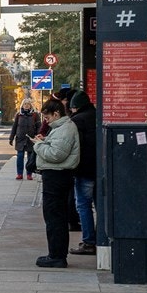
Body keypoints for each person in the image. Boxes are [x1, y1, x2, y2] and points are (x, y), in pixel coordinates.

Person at [31, 97, 80, 268]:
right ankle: (56, 253)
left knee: (54, 217)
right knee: (54, 216)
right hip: (56, 176)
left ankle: (57, 256)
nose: (46, 121)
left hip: (57, 177)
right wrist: (44, 141)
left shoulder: (65, 129)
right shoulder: (60, 128)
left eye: (47, 117)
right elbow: (56, 148)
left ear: (57, 113)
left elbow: (56, 154)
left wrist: (38, 145)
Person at [68, 90, 99, 255]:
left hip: (84, 170)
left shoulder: (77, 120)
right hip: (99, 169)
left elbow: (74, 145)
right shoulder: (98, 115)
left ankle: (88, 242)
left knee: (83, 206)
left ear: (75, 107)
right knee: (100, 206)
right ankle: (102, 238)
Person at [7, 100, 40, 180]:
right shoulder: (18, 115)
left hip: (31, 139)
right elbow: (14, 127)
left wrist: (38, 136)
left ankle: (29, 174)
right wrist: (11, 138)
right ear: (22, 105)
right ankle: (19, 174)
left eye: (28, 104)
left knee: (30, 158)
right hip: (20, 139)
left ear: (31, 105)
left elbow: (39, 126)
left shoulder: (35, 115)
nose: (26, 105)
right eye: (25, 104)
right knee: (20, 156)